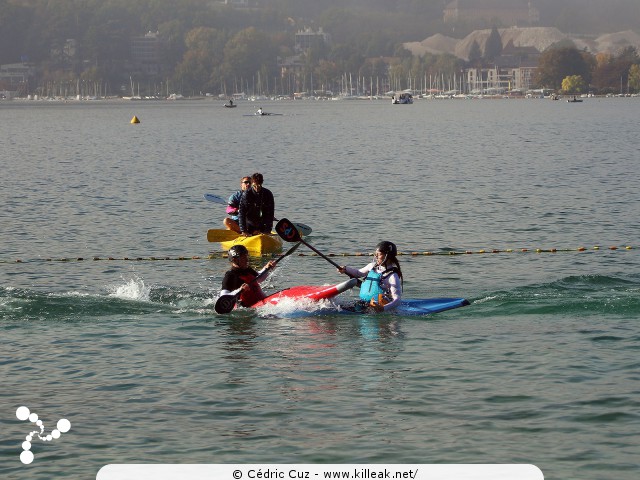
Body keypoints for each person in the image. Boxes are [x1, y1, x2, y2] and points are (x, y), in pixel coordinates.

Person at [337, 241, 403, 312]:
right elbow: (357, 273)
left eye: (379, 254)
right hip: (364, 304)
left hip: (378, 309)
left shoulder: (393, 276)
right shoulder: (372, 266)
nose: (376, 256)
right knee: (338, 309)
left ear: (388, 257)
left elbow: (397, 299)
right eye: (375, 254)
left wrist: (383, 308)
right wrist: (345, 269)